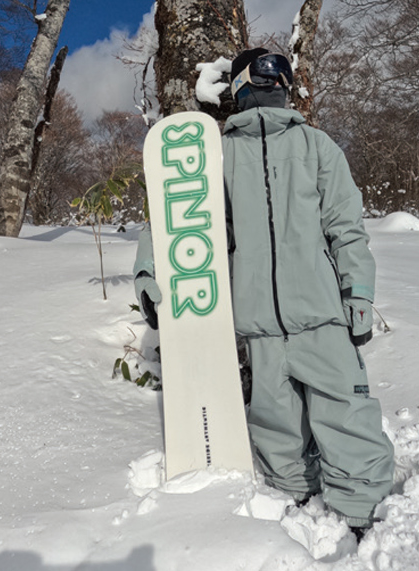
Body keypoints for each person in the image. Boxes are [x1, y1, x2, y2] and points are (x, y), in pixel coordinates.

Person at [134, 48, 394, 536]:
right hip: (256, 321)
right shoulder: (216, 155)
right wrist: (150, 272)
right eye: (264, 76)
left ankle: (363, 513)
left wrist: (358, 293)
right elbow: (175, 218)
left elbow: (346, 228)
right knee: (276, 424)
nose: (274, 84)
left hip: (321, 313)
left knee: (347, 414)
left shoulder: (316, 146)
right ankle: (293, 500)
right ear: (239, 86)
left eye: (280, 75)